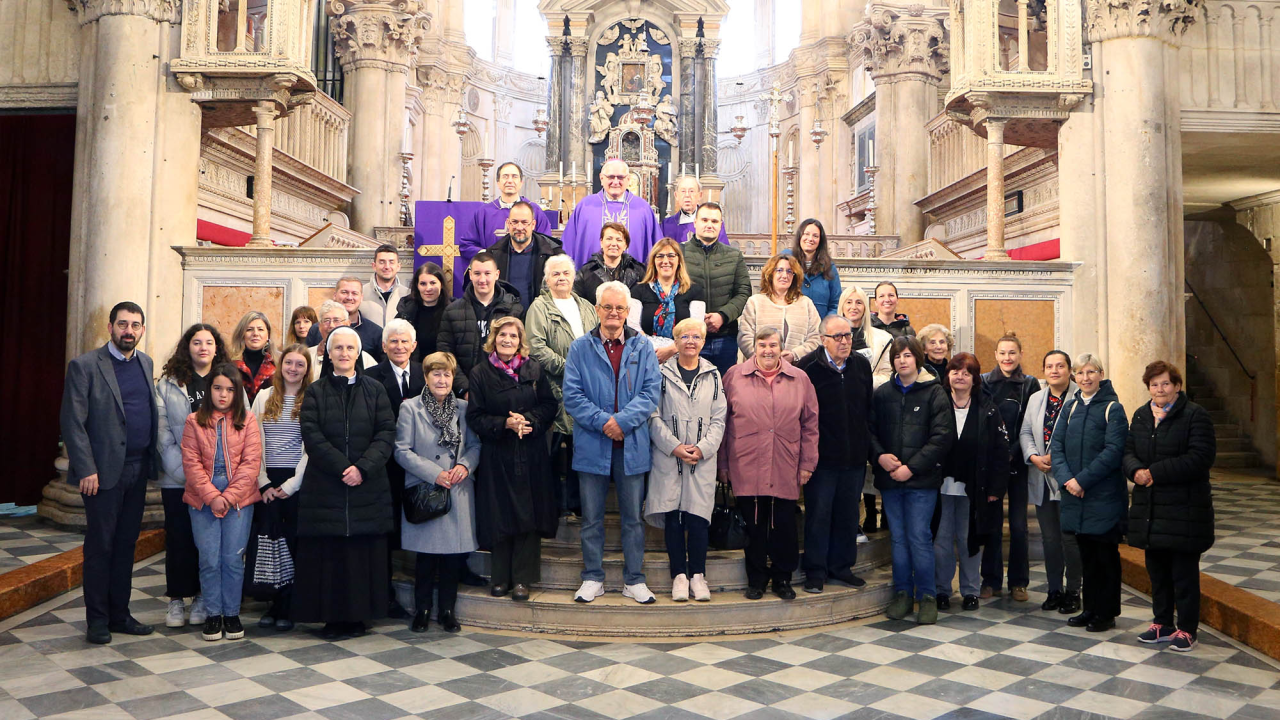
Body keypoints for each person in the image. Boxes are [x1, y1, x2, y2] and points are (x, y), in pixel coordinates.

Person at [60, 301, 160, 644]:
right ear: (110, 327)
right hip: (101, 474)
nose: (128, 331)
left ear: (142, 330)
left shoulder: (145, 363)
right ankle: (98, 620)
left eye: (135, 325)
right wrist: (85, 468)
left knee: (125, 545)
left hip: (137, 468)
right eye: (122, 324)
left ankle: (121, 614)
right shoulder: (85, 365)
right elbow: (72, 422)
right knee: (101, 546)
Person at [294, 327, 397, 640]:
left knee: (361, 555)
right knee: (330, 555)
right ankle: (331, 618)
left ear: (358, 353)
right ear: (328, 353)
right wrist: (343, 468)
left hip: (367, 486)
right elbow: (312, 435)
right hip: (327, 487)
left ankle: (360, 616)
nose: (343, 353)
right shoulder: (314, 392)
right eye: (337, 348)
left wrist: (362, 468)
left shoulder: (376, 390)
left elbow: (386, 433)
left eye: (349, 348)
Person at [563, 281, 662, 604]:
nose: (614, 313)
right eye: (608, 307)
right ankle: (593, 577)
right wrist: (605, 423)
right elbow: (573, 397)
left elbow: (650, 394)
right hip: (593, 444)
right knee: (591, 519)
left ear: (628, 312)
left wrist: (621, 422)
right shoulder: (580, 348)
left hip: (632, 445)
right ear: (597, 310)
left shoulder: (643, 347)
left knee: (633, 518)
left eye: (620, 308)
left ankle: (634, 579)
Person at [721, 328, 819, 600]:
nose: (767, 350)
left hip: (785, 463)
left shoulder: (800, 378)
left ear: (781, 348)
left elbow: (810, 424)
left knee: (783, 526)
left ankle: (782, 579)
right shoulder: (734, 376)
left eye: (773, 345)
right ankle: (756, 580)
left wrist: (808, 463)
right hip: (746, 463)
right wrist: (723, 464)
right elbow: (723, 422)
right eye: (762, 344)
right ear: (753, 347)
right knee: (753, 526)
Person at [1124, 361, 1216, 652]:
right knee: (1158, 571)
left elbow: (1200, 457)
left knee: (1184, 574)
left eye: (1165, 383)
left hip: (1184, 510)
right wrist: (1135, 470)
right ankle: (1162, 623)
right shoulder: (1141, 415)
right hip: (1151, 509)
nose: (1159, 389)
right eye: (1154, 384)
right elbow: (1127, 451)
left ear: (1177, 386)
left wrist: (1155, 473)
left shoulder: (1194, 415)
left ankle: (1188, 629)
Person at [467, 317, 560, 601]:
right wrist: (504, 424)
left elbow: (549, 405)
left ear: (521, 341)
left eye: (513, 336)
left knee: (528, 515)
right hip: (498, 453)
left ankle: (522, 579)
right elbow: (475, 416)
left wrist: (528, 420)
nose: (508, 340)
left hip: (531, 452)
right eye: (502, 335)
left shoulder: (533, 368)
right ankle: (500, 578)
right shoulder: (480, 373)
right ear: (493, 339)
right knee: (499, 514)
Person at [871, 336, 955, 624]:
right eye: (897, 356)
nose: (902, 360)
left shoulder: (935, 393)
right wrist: (880, 457)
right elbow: (869, 432)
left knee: (919, 537)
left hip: (922, 481)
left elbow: (942, 438)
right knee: (898, 539)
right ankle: (903, 594)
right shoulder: (883, 394)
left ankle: (927, 596)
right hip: (890, 481)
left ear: (918, 358)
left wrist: (912, 468)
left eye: (907, 355)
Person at [397, 352, 481, 633]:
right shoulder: (411, 408)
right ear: (426, 377)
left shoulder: (463, 408)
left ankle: (447, 611)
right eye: (436, 373)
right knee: (426, 557)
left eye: (447, 374)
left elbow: (475, 447)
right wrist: (435, 474)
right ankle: (422, 610)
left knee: (452, 557)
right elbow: (401, 450)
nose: (442, 379)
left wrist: (464, 467)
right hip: (426, 487)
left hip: (457, 489)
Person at [645, 318, 726, 602]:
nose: (690, 341)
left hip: (702, 459)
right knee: (674, 517)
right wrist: (675, 446)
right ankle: (679, 575)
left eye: (696, 336)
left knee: (698, 517)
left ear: (703, 342)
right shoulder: (660, 373)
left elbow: (719, 418)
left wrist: (703, 448)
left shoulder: (714, 375)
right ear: (675, 342)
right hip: (669, 457)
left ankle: (698, 576)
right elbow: (652, 415)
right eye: (684, 336)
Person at [181, 365, 262, 642]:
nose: (223, 394)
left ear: (237, 393)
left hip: (238, 498)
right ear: (209, 390)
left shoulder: (248, 420)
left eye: (230, 389)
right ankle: (213, 614)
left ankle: (231, 613)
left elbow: (251, 465)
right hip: (203, 497)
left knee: (232, 559)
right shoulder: (194, 421)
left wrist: (227, 497)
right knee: (209, 559)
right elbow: (191, 464)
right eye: (217, 388)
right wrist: (212, 496)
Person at [1049, 353, 1129, 633]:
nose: (1085, 378)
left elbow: (1113, 452)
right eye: (1080, 373)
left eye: (1091, 372)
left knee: (1105, 557)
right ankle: (1090, 609)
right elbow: (1056, 447)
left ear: (1101, 374)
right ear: (1074, 377)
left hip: (1102, 496)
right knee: (1086, 556)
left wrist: (1081, 480)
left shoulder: (1113, 409)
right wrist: (1067, 479)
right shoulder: (1070, 407)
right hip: (1075, 495)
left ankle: (1106, 613)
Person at [157, 323, 227, 629]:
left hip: (217, 480)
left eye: (208, 342)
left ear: (216, 348)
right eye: (196, 342)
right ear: (187, 347)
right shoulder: (169, 383)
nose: (202, 347)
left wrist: (215, 478)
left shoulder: (225, 380)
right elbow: (162, 434)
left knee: (208, 542)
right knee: (179, 538)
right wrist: (188, 474)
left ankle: (201, 596)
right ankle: (176, 599)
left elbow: (241, 424)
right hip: (179, 478)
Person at [796, 315, 872, 593]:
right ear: (823, 340)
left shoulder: (861, 365)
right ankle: (815, 571)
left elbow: (867, 409)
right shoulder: (807, 369)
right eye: (838, 336)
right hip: (821, 460)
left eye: (848, 335)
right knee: (818, 515)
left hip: (853, 457)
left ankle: (842, 567)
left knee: (848, 515)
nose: (844, 341)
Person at [934, 353, 1009, 613]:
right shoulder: (937, 402)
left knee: (970, 540)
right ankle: (942, 590)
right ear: (948, 375)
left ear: (975, 379)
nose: (960, 376)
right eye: (955, 371)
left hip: (975, 489)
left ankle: (970, 591)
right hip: (940, 487)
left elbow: (1001, 451)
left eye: (967, 372)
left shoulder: (988, 408)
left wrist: (996, 489)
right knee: (941, 542)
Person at [525, 254, 599, 517]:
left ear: (573, 276)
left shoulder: (587, 307)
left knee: (583, 448)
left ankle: (580, 504)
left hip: (587, 391)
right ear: (547, 279)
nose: (561, 278)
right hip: (553, 389)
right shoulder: (539, 307)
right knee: (555, 451)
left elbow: (598, 342)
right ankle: (555, 506)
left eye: (566, 273)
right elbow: (536, 347)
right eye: (555, 274)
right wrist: (570, 368)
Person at [363, 319, 426, 620]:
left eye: (405, 342)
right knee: (385, 535)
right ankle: (384, 596)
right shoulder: (371, 377)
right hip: (384, 467)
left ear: (414, 346)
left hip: (420, 467)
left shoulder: (427, 377)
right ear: (384, 346)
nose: (399, 347)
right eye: (394, 342)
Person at [249, 344, 312, 631]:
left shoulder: (312, 398)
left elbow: (311, 446)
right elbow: (253, 440)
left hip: (297, 480)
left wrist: (292, 484)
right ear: (280, 364)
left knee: (294, 543)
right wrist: (262, 482)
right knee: (271, 543)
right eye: (289, 363)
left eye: (300, 364)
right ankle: (273, 601)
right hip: (267, 478)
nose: (294, 369)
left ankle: (290, 603)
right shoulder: (264, 396)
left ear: (307, 369)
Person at [1020, 350, 1083, 615]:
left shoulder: (1080, 397)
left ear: (1070, 369)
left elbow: (1081, 438)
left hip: (1069, 479)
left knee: (1070, 539)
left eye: (1060, 366)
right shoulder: (1036, 398)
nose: (1054, 370)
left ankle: (1073, 592)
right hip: (1041, 476)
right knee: (1050, 539)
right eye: (1049, 366)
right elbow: (1024, 431)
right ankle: (1054, 589)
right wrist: (1033, 456)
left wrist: (1054, 457)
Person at [980, 333, 1041, 602]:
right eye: (1003, 353)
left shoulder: (1030, 385)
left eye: (1012, 353)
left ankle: (1019, 582)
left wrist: (1011, 452)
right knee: (991, 524)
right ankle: (990, 581)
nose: (1007, 358)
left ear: (1020, 354)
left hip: (1017, 463)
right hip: (992, 466)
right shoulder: (982, 382)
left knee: (1018, 526)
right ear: (995, 355)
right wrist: (996, 455)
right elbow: (981, 422)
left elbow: (1031, 424)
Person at [437, 251, 522, 397]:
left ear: (497, 274)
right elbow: (446, 353)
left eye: (487, 273)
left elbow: (521, 352)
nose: (482, 279)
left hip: (503, 391)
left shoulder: (513, 309)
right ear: (470, 275)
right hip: (463, 394)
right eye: (477, 273)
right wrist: (465, 388)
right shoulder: (452, 311)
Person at [682, 202, 751, 375]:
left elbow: (743, 292)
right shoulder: (679, 253)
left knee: (724, 388)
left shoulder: (734, 256)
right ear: (695, 223)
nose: (709, 225)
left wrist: (722, 316)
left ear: (721, 225)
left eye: (714, 221)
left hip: (724, 336)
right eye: (704, 219)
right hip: (688, 336)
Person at [561, 158, 659, 265]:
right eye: (611, 177)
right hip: (590, 278)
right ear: (601, 178)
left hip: (633, 278)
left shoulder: (643, 209)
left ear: (628, 179)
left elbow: (657, 248)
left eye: (621, 177)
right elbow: (568, 246)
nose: (615, 182)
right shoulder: (585, 206)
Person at [460, 161, 553, 262]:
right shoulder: (484, 213)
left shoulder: (534, 211)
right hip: (492, 271)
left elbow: (546, 244)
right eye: (505, 176)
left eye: (514, 176)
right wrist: (487, 255)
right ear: (498, 183)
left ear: (521, 183)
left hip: (527, 268)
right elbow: (466, 245)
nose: (510, 181)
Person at [631, 237, 706, 363]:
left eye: (671, 256)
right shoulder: (638, 290)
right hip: (646, 355)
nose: (665, 261)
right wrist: (652, 350)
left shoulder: (695, 291)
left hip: (683, 356)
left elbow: (696, 328)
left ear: (679, 260)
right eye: (660, 256)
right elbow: (633, 328)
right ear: (653, 261)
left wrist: (672, 349)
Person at [737, 254, 821, 363]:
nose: (785, 275)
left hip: (798, 368)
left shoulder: (806, 303)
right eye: (779, 270)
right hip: (760, 369)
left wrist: (794, 355)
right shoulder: (755, 302)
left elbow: (816, 337)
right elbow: (745, 337)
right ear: (770, 274)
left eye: (790, 271)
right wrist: (765, 360)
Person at [485, 201, 565, 311]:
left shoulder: (553, 255)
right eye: (514, 222)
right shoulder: (493, 255)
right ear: (508, 224)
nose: (519, 227)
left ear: (533, 225)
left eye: (524, 222)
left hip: (541, 320)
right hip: (506, 320)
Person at [306, 277, 385, 362]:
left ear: (361, 297)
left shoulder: (376, 333)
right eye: (344, 292)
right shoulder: (317, 329)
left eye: (354, 293)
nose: (349, 297)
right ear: (335, 295)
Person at [573, 222, 646, 305]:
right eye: (609, 239)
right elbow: (577, 304)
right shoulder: (585, 272)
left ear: (625, 245)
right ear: (601, 242)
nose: (614, 244)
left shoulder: (639, 272)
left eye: (619, 240)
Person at [784, 219, 842, 318]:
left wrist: (827, 326)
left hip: (821, 329)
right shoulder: (786, 261)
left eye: (815, 236)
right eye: (806, 234)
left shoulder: (829, 267)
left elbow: (836, 304)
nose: (810, 239)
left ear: (820, 240)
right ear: (800, 236)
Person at [308, 300, 377, 381]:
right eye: (326, 321)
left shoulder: (366, 360)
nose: (331, 325)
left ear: (347, 324)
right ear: (320, 326)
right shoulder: (307, 356)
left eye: (336, 320)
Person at [838, 286, 893, 387]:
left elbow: (886, 375)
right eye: (849, 302)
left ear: (865, 308)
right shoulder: (829, 338)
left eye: (859, 302)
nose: (854, 307)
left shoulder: (884, 339)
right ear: (842, 306)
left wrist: (862, 382)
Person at [396, 262, 449, 365]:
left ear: (441, 284)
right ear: (417, 285)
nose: (428, 288)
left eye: (433, 283)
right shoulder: (405, 313)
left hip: (444, 371)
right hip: (414, 373)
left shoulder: (453, 312)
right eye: (423, 284)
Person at [660, 175, 728, 245]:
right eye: (683, 191)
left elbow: (723, 251)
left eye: (691, 191)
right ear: (676, 195)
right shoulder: (666, 225)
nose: (687, 195)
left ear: (700, 195)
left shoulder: (713, 222)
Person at [228, 311, 276, 403]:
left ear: (268, 335)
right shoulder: (230, 363)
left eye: (260, 329)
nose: (255, 333)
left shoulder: (279, 363)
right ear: (242, 334)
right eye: (249, 329)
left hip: (268, 415)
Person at [360, 244, 411, 327]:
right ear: (374, 266)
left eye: (391, 262)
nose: (387, 267)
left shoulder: (408, 294)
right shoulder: (361, 293)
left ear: (398, 266)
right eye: (382, 262)